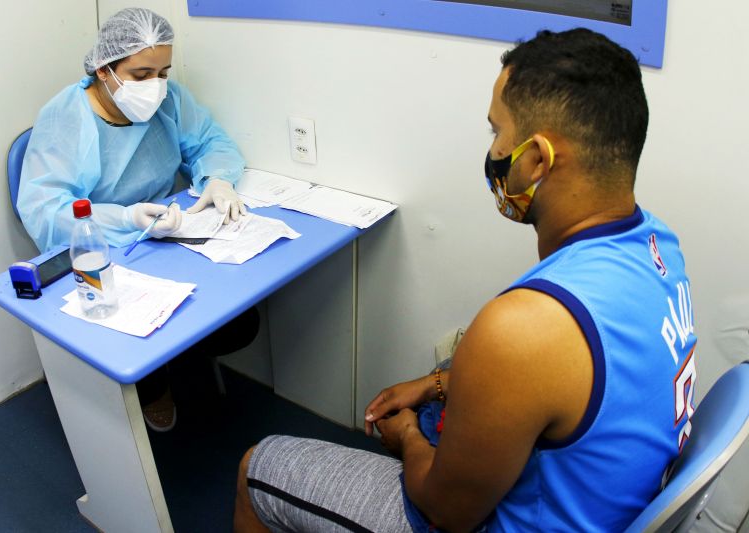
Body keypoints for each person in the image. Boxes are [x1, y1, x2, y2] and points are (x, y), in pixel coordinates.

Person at [233, 28, 698, 532]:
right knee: (460, 362)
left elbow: (445, 511)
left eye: (498, 131)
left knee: (257, 468)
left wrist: (407, 435)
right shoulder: (658, 245)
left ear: (537, 159)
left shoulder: (525, 326)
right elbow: (564, 384)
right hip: (602, 500)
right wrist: (438, 385)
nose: (494, 149)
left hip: (472, 519)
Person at [18, 8, 258, 432]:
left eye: (163, 72)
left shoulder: (170, 98)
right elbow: (45, 211)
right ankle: (151, 382)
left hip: (171, 232)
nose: (156, 86)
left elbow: (209, 140)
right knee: (142, 331)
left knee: (239, 323)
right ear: (103, 68)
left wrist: (218, 178)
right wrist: (124, 217)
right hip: (105, 251)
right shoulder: (66, 117)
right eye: (142, 73)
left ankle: (172, 356)